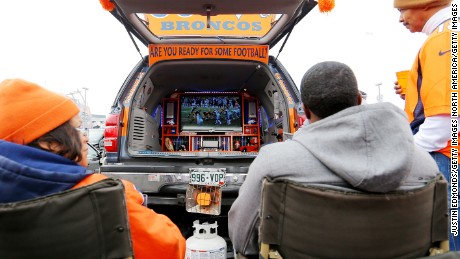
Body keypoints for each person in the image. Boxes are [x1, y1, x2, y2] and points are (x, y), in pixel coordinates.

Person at [228, 61, 439, 257]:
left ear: (306, 110)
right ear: (358, 100)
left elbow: (242, 240)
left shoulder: (273, 163)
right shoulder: (425, 165)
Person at [0, 79, 186, 259]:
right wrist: (129, 198)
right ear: (50, 143)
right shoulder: (108, 195)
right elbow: (171, 247)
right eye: (77, 130)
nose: (86, 138)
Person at [393, 0, 458, 250]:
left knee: (449, 244)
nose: (401, 19)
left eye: (402, 10)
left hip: (446, 156)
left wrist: (409, 154)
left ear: (426, 5)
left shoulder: (444, 39)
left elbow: (445, 119)